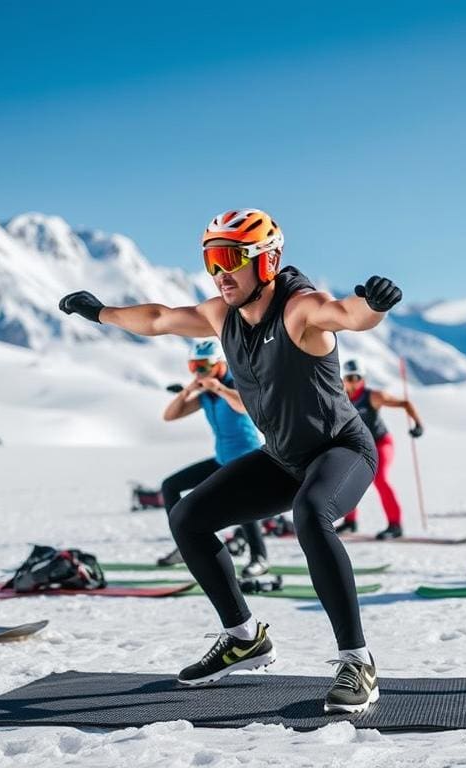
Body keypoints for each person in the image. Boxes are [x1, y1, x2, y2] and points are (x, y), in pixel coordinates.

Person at [59, 208, 401, 714]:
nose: (219, 274)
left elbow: (347, 315)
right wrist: (101, 312)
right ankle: (244, 638)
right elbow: (157, 319)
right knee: (188, 516)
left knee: (311, 515)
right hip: (282, 458)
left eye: (230, 259)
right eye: (211, 260)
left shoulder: (299, 310)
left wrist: (374, 305)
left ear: (268, 260)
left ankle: (358, 661)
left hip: (341, 450)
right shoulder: (223, 315)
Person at [156, 338, 269, 578]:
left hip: (248, 459)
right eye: (193, 367)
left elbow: (243, 406)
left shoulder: (238, 383)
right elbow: (169, 416)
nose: (198, 372)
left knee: (243, 501)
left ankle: (259, 557)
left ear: (219, 364)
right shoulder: (205, 395)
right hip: (221, 459)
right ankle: (184, 545)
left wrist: (218, 388)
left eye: (203, 366)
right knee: (170, 486)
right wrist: (189, 390)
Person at [334, 359, 424, 539]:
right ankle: (351, 522)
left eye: (356, 377)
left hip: (381, 442)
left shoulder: (373, 396)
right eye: (348, 377)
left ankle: (395, 525)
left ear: (363, 379)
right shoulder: (341, 399)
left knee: (380, 478)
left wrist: (418, 425)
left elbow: (405, 403)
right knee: (348, 481)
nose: (352, 381)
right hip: (360, 447)